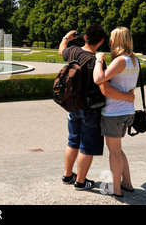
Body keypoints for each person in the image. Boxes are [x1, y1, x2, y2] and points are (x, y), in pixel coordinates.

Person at [59, 25, 135, 191]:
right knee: (87, 144)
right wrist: (128, 97)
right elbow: (104, 87)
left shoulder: (72, 51)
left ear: (85, 37)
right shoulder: (96, 61)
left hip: (72, 105)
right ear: (101, 41)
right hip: (89, 107)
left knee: (73, 140)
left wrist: (66, 37)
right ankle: (80, 181)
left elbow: (61, 51)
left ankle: (67, 175)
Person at [93, 27, 139, 197]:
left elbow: (99, 79)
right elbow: (130, 89)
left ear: (118, 40)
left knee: (114, 151)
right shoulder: (135, 61)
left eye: (112, 38)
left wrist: (98, 60)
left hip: (114, 113)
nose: (110, 41)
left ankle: (117, 189)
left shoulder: (120, 61)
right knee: (118, 150)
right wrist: (128, 97)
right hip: (127, 112)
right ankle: (127, 183)